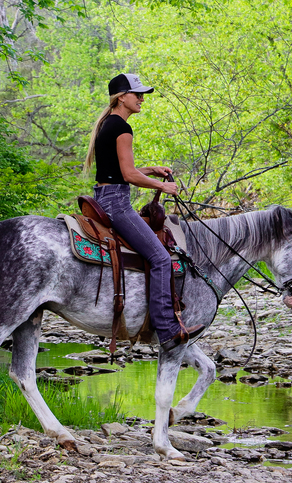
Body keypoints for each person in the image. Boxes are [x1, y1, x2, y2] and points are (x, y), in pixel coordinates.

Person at [83, 73, 204, 351]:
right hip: (116, 203)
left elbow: (114, 171)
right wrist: (163, 185)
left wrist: (150, 170)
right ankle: (168, 329)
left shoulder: (108, 124)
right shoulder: (123, 129)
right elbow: (127, 174)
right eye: (136, 94)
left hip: (104, 197)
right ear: (121, 97)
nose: (141, 98)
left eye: (142, 94)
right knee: (161, 258)